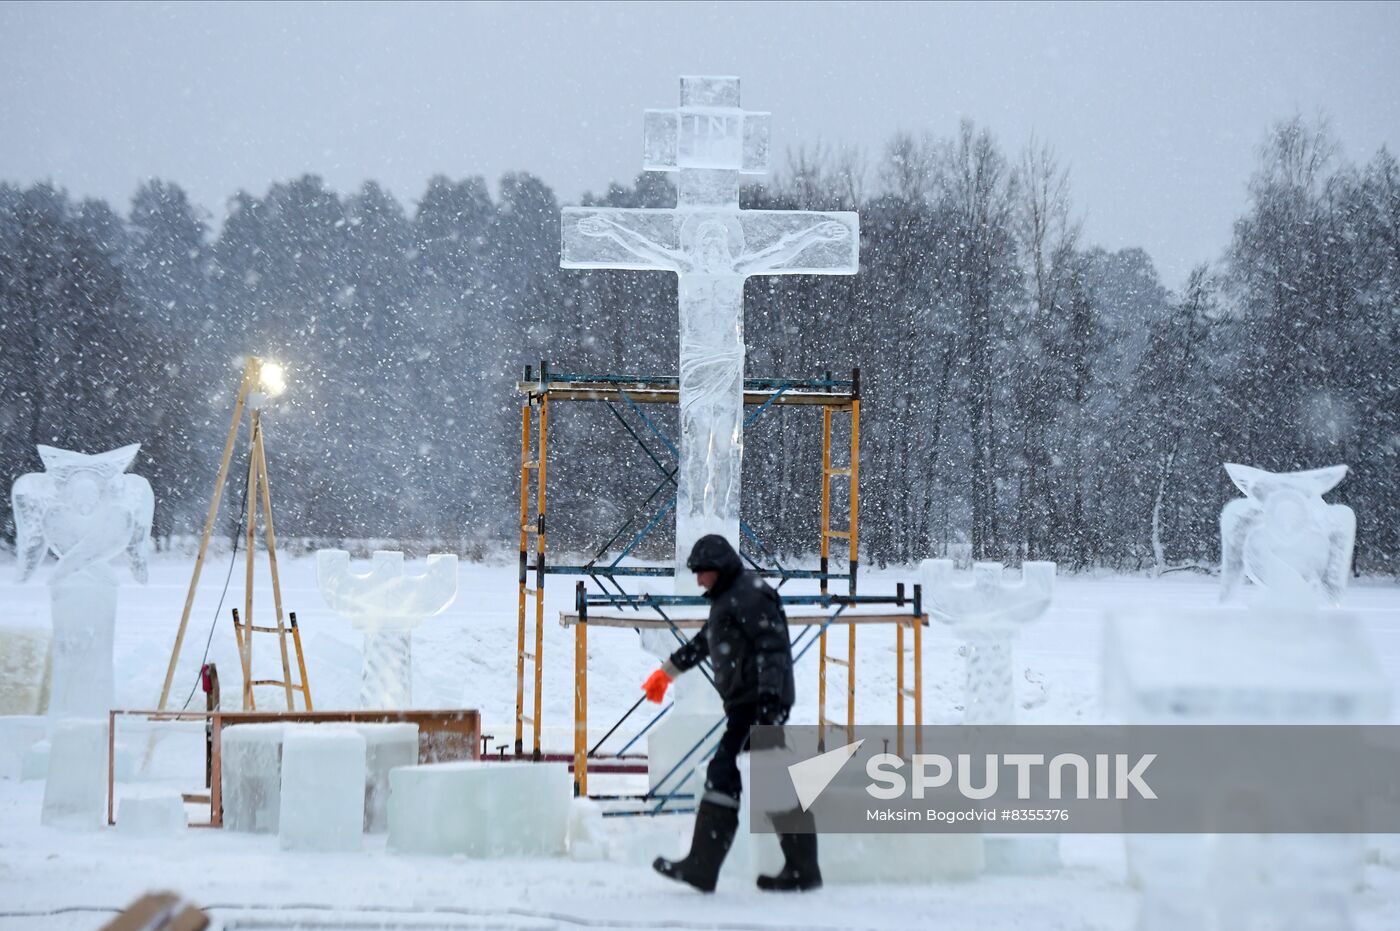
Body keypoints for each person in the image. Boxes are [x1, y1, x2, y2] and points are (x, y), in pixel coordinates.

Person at [640, 534, 821, 893]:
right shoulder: (730, 597)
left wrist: (768, 706)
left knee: (725, 773)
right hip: (750, 704)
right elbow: (705, 642)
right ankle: (801, 868)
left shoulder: (749, 596)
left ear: (718, 568)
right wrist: (666, 673)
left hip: (757, 705)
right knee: (770, 782)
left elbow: (772, 649)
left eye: (701, 573)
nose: (698, 581)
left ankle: (702, 867)